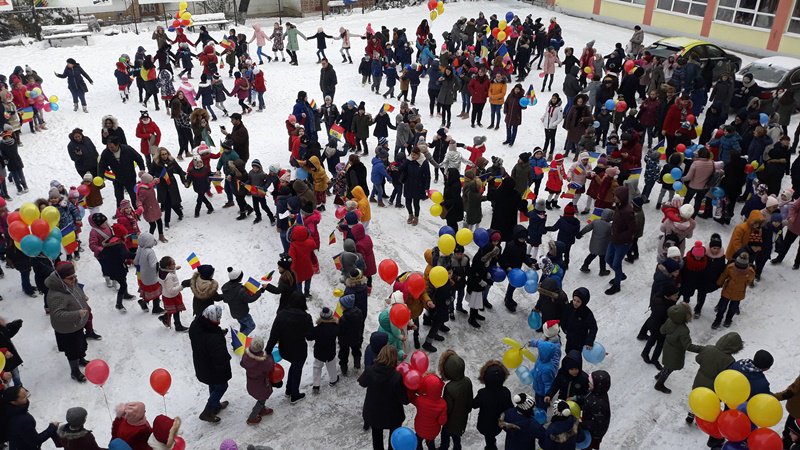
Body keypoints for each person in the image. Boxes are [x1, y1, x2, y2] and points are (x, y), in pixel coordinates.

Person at [46, 262, 92, 382]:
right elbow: (57, 314)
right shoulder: (56, 294)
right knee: (72, 351)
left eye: (75, 276)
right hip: (67, 329)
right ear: (61, 279)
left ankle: (81, 359)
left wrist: (83, 296)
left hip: (77, 325)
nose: (74, 280)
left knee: (80, 345)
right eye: (71, 278)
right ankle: (75, 371)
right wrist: (77, 314)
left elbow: (77, 291)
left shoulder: (70, 283)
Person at [358, 345, 409, 450]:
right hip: (393, 415)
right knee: (394, 438)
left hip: (374, 413)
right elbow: (404, 400)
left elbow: (362, 383)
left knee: (376, 438)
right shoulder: (397, 377)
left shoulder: (370, 370)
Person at [266, 293, 313, 404]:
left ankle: (288, 390)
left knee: (294, 366)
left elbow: (274, 335)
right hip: (299, 351)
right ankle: (294, 394)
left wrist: (267, 351)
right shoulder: (306, 317)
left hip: (285, 350)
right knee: (297, 369)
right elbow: (310, 336)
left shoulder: (281, 315)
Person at [189, 305, 232, 423]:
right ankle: (207, 411)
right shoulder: (214, 337)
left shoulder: (195, 325)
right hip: (213, 367)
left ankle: (215, 405)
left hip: (201, 363)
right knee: (222, 386)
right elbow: (220, 358)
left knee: (212, 384)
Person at [655, 303, 702, 394]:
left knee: (667, 364)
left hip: (667, 346)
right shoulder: (684, 330)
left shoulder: (669, 320)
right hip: (676, 352)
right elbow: (688, 346)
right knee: (669, 368)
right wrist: (701, 349)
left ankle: (659, 375)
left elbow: (662, 330)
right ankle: (659, 384)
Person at [473, 360, 513, 450]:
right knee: (491, 436)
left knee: (489, 439)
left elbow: (474, 405)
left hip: (485, 424)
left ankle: (490, 446)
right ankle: (492, 444)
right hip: (498, 425)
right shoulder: (505, 392)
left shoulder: (482, 393)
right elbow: (510, 407)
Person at [438, 350, 473, 450]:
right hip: (461, 419)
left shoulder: (449, 388)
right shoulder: (467, 381)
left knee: (445, 435)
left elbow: (447, 409)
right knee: (456, 437)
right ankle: (457, 447)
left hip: (449, 422)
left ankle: (444, 447)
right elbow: (470, 399)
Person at [99, 135, 146, 206]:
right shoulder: (106, 153)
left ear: (117, 144)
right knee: (119, 197)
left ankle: (137, 210)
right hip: (117, 178)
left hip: (130, 177)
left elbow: (138, 158)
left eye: (112, 147)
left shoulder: (127, 149)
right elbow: (101, 165)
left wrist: (142, 169)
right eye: (108, 147)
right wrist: (101, 177)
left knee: (133, 195)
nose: (110, 149)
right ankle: (120, 212)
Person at [713, 252, 756, 329]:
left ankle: (728, 320)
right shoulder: (730, 267)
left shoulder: (750, 271)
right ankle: (718, 320)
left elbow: (750, 280)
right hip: (728, 290)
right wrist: (719, 282)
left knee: (732, 308)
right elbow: (724, 275)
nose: (738, 269)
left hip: (738, 293)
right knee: (722, 307)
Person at [240, 336, 277, 425]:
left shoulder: (246, 355)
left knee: (261, 397)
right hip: (261, 385)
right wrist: (269, 355)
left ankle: (262, 409)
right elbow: (271, 366)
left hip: (251, 383)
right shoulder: (263, 362)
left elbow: (242, 363)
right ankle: (252, 417)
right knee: (261, 399)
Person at [222, 267, 265, 336]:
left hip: (235, 313)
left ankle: (240, 338)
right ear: (238, 278)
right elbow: (250, 299)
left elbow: (227, 299)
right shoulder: (240, 290)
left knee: (243, 325)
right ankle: (240, 339)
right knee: (251, 326)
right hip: (243, 314)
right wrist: (259, 292)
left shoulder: (226, 288)